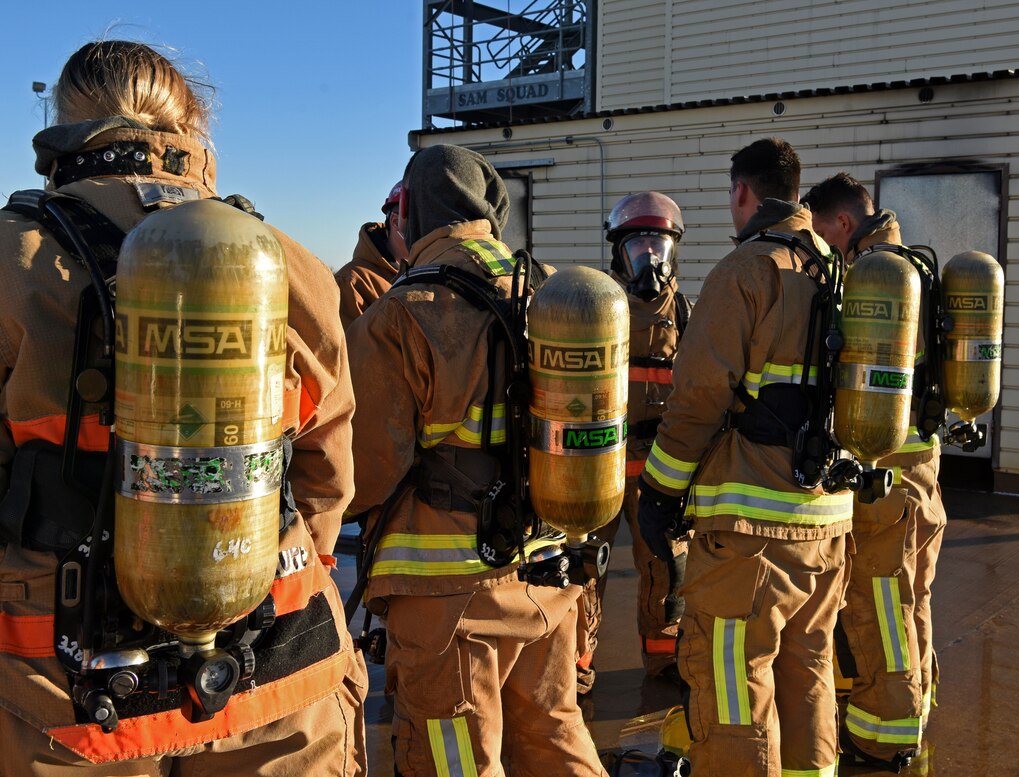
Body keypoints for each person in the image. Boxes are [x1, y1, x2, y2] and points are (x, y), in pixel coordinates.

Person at [0, 40, 366, 774]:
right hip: (277, 663)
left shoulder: (14, 260)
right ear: (188, 127)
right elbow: (328, 472)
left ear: (64, 127)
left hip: (66, 686)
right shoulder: (282, 259)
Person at [346, 143, 605, 776]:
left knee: (453, 758)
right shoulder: (547, 290)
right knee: (553, 733)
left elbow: (361, 469)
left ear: (407, 210)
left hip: (448, 596)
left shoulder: (404, 314)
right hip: (548, 571)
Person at [638, 137, 852, 777]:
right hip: (827, 522)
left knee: (734, 682)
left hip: (750, 534)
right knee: (808, 672)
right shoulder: (835, 268)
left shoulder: (744, 272)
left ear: (743, 193)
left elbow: (699, 399)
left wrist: (659, 491)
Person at [802, 172, 947, 772]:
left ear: (841, 223)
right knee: (914, 597)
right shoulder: (918, 268)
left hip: (883, 474)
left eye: (826, 237)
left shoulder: (874, 280)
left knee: (880, 602)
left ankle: (884, 732)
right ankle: (916, 705)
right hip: (925, 471)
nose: (829, 251)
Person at [577, 191, 692, 693]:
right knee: (585, 569)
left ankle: (664, 657)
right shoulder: (599, 309)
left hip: (657, 467)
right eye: (638, 246)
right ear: (617, 252)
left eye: (658, 246)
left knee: (666, 563)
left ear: (673, 251)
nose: (649, 258)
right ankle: (576, 663)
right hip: (601, 460)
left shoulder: (687, 314)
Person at [334, 180, 409, 330]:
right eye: (424, 221)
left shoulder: (430, 271)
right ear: (396, 222)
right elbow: (350, 350)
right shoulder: (352, 282)